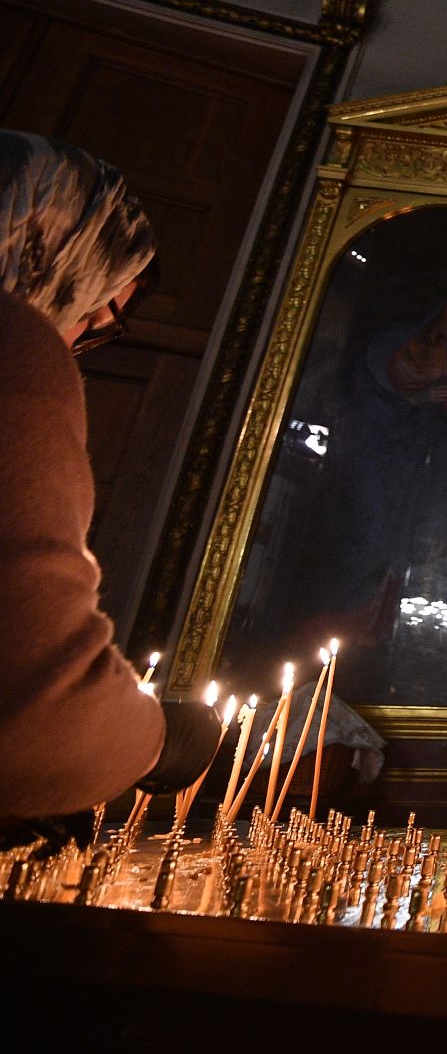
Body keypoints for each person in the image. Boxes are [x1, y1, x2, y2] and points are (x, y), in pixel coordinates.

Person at [0, 130, 221, 840]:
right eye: (97, 307)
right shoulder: (14, 348)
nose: (80, 335)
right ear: (50, 251)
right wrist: (156, 741)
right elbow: (39, 716)